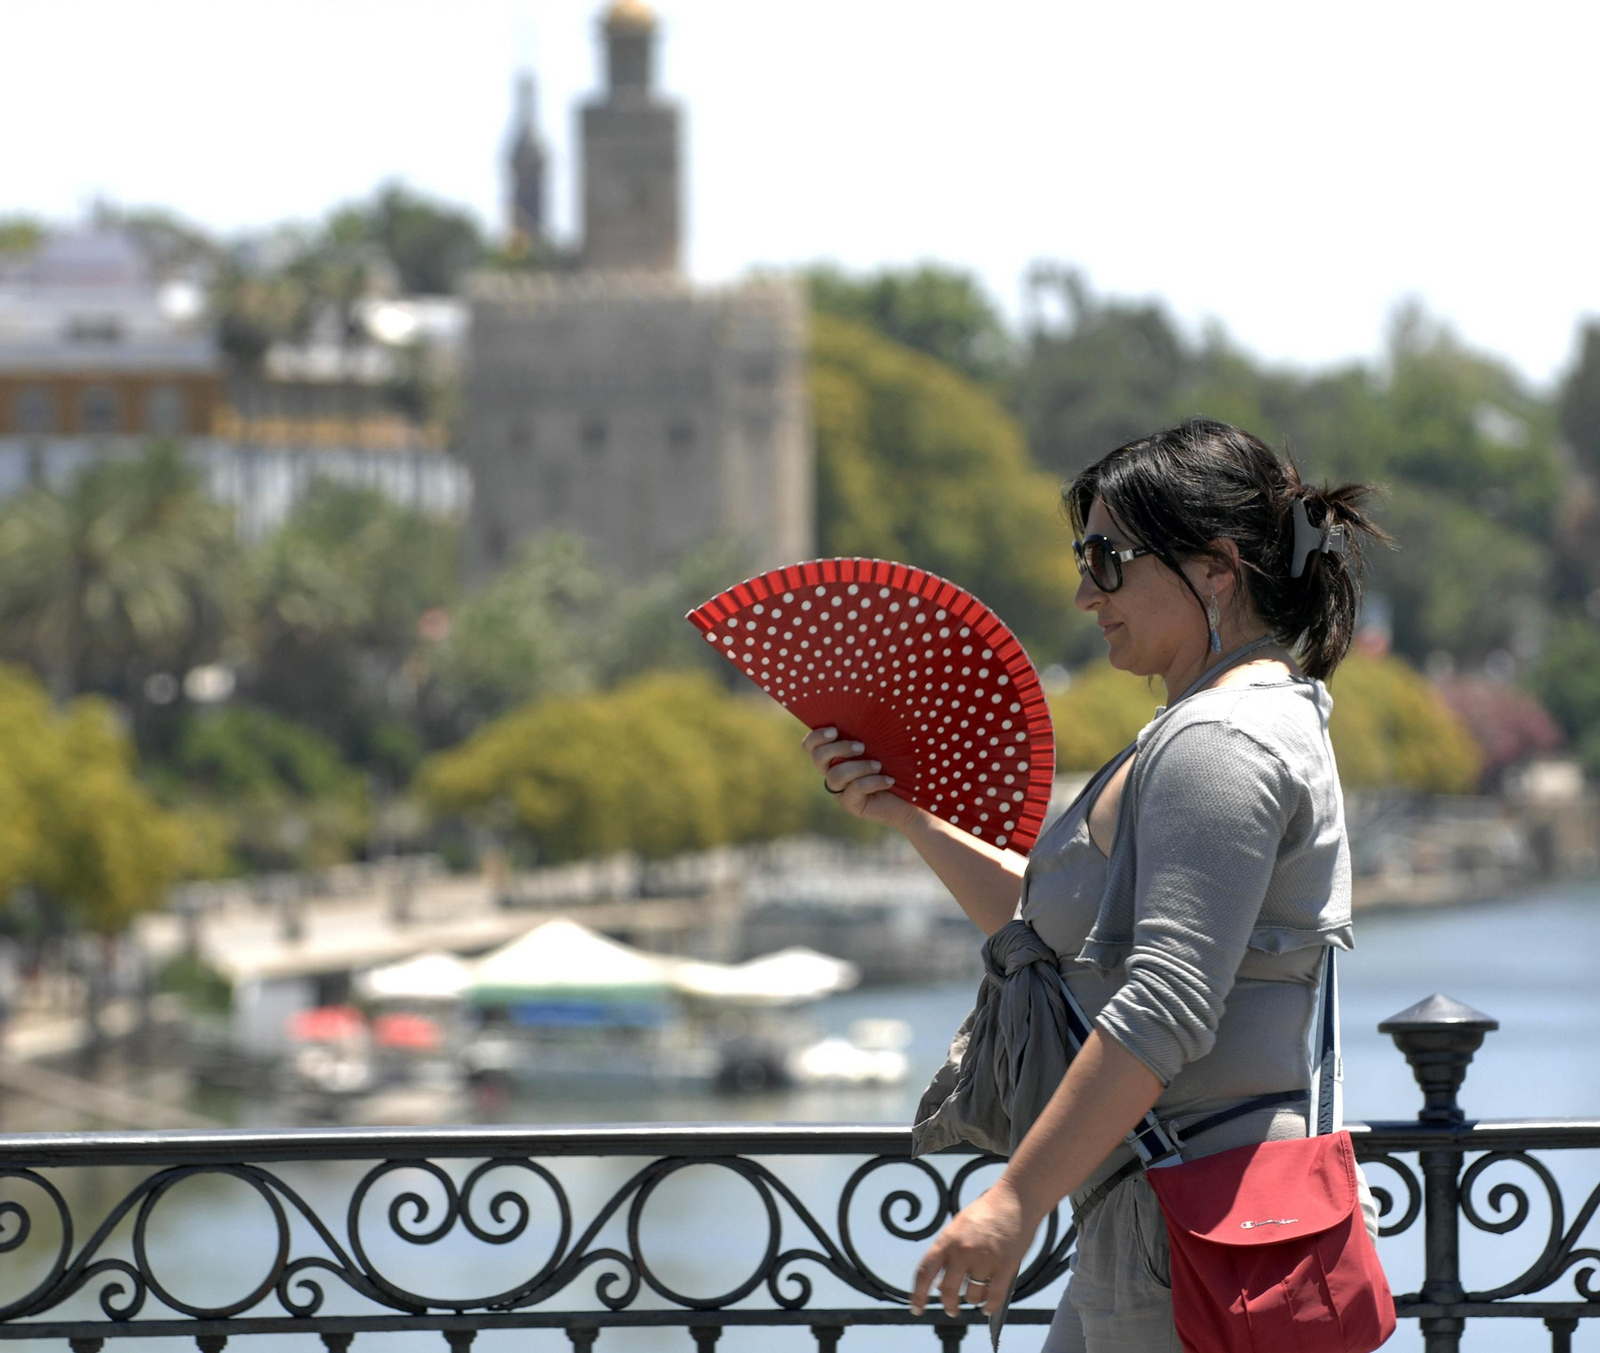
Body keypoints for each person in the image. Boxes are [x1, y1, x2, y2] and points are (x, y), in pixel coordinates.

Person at [803, 418, 1387, 1351]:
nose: (1085, 591)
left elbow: (1166, 1003)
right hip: (1176, 1209)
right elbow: (1052, 932)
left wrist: (1011, 1202)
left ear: (1215, 569)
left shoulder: (1218, 742)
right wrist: (908, 815)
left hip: (1191, 1223)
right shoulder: (1209, 724)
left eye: (1109, 559)